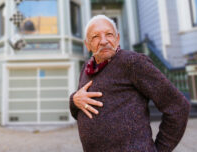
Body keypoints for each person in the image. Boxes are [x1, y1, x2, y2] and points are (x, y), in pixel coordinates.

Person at [69, 15, 190, 152]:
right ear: (87, 44)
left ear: (117, 38)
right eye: (96, 36)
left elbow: (178, 106)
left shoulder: (132, 62)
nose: (103, 41)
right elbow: (81, 110)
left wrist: (159, 149)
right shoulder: (87, 68)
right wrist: (74, 100)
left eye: (109, 34)